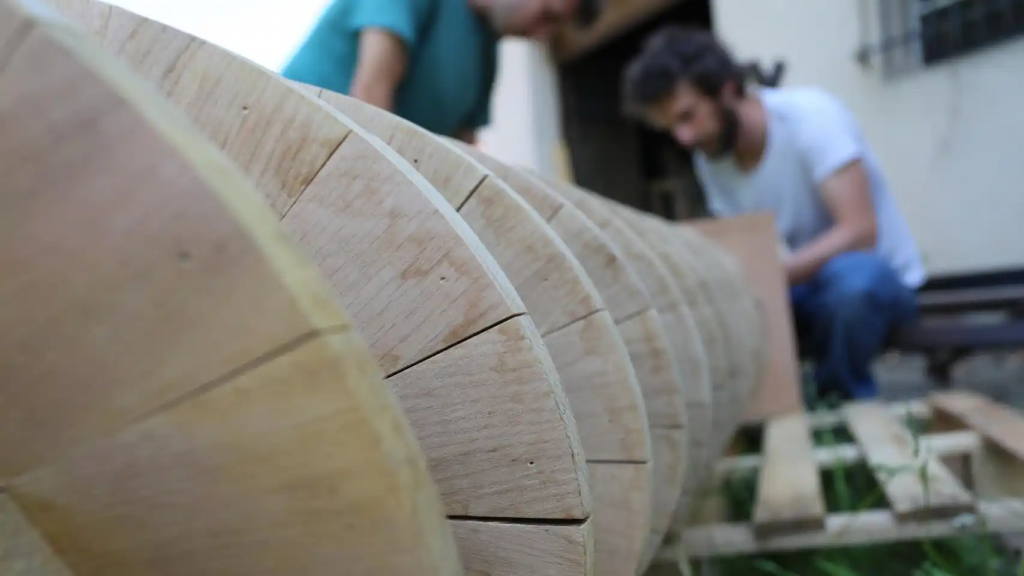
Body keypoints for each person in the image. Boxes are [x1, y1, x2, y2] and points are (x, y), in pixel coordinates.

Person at [622, 26, 927, 401]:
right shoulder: (710, 159)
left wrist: (771, 275)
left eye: (688, 116)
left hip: (880, 282)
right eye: (671, 127)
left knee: (853, 282)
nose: (683, 138)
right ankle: (765, 409)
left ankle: (843, 401)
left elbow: (861, 232)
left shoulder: (812, 117)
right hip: (801, 287)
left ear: (727, 89)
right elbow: (745, 247)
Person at [282, 0, 579, 143]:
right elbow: (370, 98)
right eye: (547, 15)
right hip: (294, 141)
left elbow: (462, 146)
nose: (541, 35)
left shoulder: (487, 48)